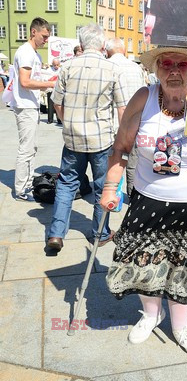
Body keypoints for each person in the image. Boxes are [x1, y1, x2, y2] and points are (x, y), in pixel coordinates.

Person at [100, 46, 187, 358]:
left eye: (182, 64)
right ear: (156, 68)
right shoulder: (143, 98)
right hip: (146, 199)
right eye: (167, 63)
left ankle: (181, 326)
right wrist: (111, 187)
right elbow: (120, 147)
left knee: (180, 266)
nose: (174, 70)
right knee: (141, 262)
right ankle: (151, 315)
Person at [46, 24, 129, 252]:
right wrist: (124, 138)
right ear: (103, 45)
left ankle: (56, 234)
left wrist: (67, 123)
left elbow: (57, 102)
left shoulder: (67, 67)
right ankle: (99, 233)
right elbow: (122, 109)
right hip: (101, 139)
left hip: (73, 139)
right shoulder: (112, 69)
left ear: (81, 45)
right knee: (104, 187)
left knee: (66, 184)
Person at [11, 17, 56, 201]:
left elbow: (33, 79)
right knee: (26, 149)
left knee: (32, 147)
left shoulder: (35, 54)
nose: (46, 40)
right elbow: (25, 81)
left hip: (31, 105)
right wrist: (47, 84)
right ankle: (21, 189)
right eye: (44, 36)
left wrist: (47, 82)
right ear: (33, 32)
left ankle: (27, 183)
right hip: (25, 105)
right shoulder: (26, 52)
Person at [105, 37, 146, 197]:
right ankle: (132, 195)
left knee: (112, 162)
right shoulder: (135, 68)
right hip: (135, 121)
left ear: (108, 51)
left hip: (112, 122)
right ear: (123, 50)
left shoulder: (107, 66)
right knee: (133, 162)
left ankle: (111, 195)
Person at [47, 58, 61, 124]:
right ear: (52, 64)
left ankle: (59, 119)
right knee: (50, 104)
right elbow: (46, 78)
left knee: (58, 104)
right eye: (54, 65)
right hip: (50, 88)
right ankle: (50, 119)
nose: (56, 66)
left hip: (58, 89)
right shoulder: (49, 70)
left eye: (57, 65)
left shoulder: (61, 70)